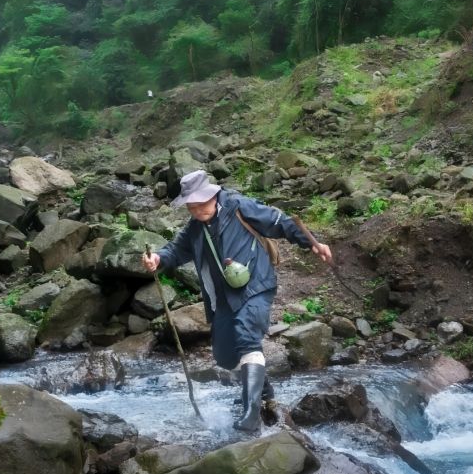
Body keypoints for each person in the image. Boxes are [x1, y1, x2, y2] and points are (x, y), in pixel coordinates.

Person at [141, 170, 332, 431]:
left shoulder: (239, 206)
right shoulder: (195, 227)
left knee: (247, 336)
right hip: (222, 296)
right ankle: (265, 394)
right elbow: (175, 250)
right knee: (226, 356)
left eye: (201, 203)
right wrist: (158, 258)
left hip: (255, 285)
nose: (197, 210)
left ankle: (251, 412)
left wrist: (312, 243)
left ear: (212, 195)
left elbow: (280, 223)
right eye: (191, 206)